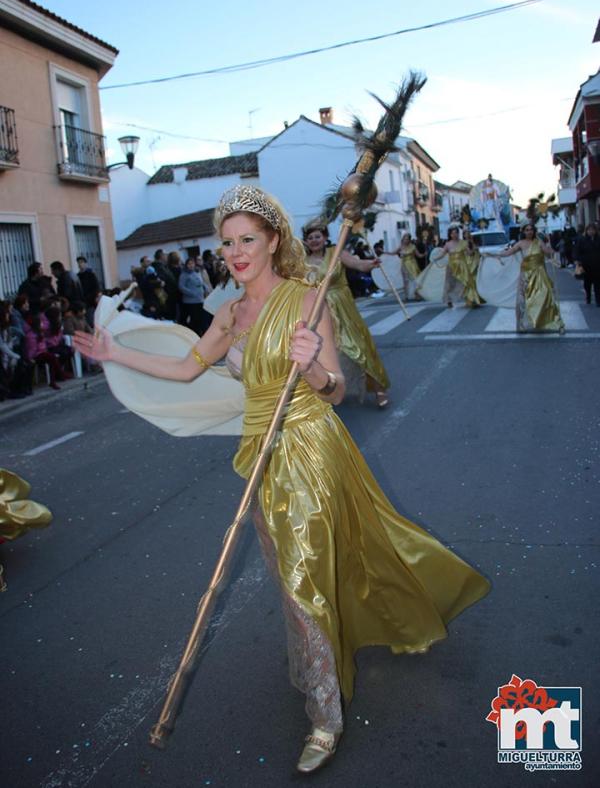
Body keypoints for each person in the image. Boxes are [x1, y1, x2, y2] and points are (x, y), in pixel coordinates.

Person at [74, 185, 489, 774]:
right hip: (261, 457)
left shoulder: (306, 299)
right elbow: (186, 369)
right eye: (227, 244)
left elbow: (337, 389)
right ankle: (321, 658)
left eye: (248, 240)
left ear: (273, 241)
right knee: (291, 574)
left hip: (312, 449)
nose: (237, 252)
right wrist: (116, 354)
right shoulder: (230, 313)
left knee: (302, 573)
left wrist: (312, 362)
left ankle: (326, 715)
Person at [303, 221, 390, 407]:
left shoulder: (335, 253)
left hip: (342, 308)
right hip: (317, 311)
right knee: (319, 352)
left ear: (325, 237)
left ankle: (379, 388)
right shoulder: (303, 262)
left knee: (359, 347)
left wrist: (371, 263)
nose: (314, 240)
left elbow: (357, 264)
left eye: (317, 236)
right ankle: (325, 393)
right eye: (310, 238)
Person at [487, 223, 564, 332]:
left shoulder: (538, 242)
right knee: (521, 300)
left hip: (539, 275)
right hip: (526, 275)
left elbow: (549, 253)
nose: (529, 232)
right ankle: (520, 325)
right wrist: (493, 254)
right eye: (527, 230)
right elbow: (508, 252)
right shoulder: (520, 244)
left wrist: (550, 247)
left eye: (531, 229)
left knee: (547, 297)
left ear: (534, 231)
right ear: (523, 232)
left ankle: (553, 321)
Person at [436, 227, 484, 308]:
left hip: (462, 266)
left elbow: (469, 253)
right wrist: (435, 258)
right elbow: (443, 254)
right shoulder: (448, 244)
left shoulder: (463, 243)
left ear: (458, 234)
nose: (455, 235)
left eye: (456, 233)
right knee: (449, 283)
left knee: (466, 282)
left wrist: (475, 250)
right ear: (450, 235)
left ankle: (470, 299)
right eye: (453, 233)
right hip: (451, 266)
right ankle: (449, 300)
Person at [383, 233, 425, 300]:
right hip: (404, 265)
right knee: (406, 280)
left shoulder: (413, 246)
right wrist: (384, 252)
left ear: (409, 240)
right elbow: (393, 253)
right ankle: (406, 296)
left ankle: (417, 295)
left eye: (407, 239)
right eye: (405, 239)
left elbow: (418, 255)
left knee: (415, 279)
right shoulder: (401, 247)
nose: (406, 240)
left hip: (412, 265)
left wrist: (424, 254)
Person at [178, 257, 214, 336]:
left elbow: (201, 282)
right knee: (194, 319)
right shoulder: (184, 274)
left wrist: (205, 288)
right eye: (189, 264)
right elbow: (181, 286)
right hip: (191, 301)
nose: (191, 265)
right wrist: (191, 293)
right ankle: (194, 334)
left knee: (201, 318)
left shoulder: (196, 271)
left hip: (200, 299)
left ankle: (201, 333)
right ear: (186, 265)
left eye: (192, 263)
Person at [574, 222, 600, 305]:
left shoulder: (598, 239)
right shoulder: (582, 240)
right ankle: (588, 296)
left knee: (598, 283)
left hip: (597, 264)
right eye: (589, 230)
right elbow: (577, 251)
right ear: (587, 231)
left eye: (593, 230)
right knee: (587, 283)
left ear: (596, 231)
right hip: (586, 265)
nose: (591, 232)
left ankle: (598, 300)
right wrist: (578, 260)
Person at [76, 256, 100, 323]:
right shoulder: (77, 276)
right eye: (78, 262)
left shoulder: (91, 275)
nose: (80, 264)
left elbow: (96, 288)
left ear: (85, 263)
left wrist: (90, 298)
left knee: (91, 321)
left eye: (81, 262)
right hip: (81, 304)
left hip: (90, 303)